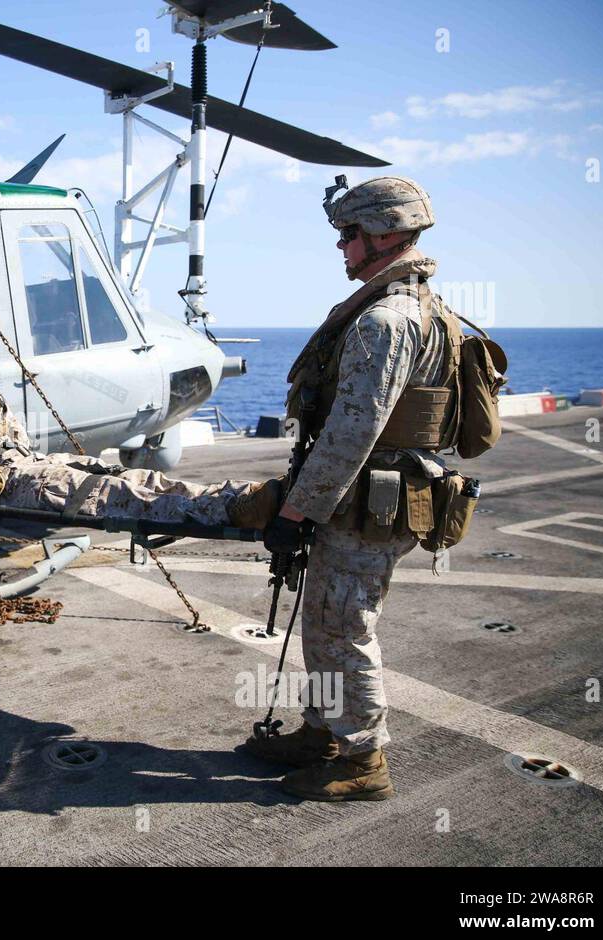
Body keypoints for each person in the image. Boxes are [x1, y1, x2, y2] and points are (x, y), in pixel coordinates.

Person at [245, 175, 450, 802]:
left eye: (350, 234)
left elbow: (351, 431)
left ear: (385, 233)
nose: (342, 247)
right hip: (363, 498)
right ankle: (324, 732)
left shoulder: (387, 318)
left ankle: (364, 762)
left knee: (344, 626)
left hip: (364, 502)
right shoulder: (410, 305)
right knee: (326, 621)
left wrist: (298, 510)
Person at [0, 382, 278, 530]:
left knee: (129, 478)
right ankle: (229, 510)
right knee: (113, 493)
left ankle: (238, 495)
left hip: (26, 461)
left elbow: (16, 436)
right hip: (14, 484)